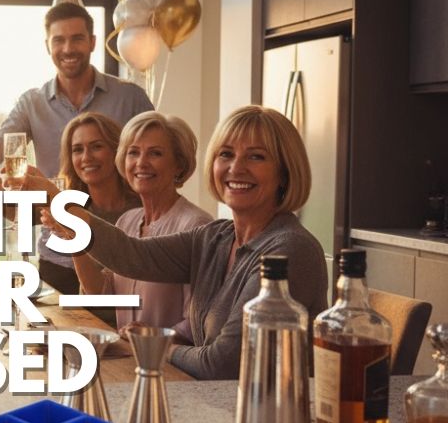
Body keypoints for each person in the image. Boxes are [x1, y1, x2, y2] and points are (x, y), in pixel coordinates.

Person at [43, 105, 328, 380]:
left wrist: (155, 346)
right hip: (213, 399)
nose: (236, 167)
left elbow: (221, 364)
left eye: (256, 157)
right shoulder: (215, 238)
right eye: (226, 154)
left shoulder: (290, 250)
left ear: (285, 172)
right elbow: (132, 255)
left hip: (267, 411)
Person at [0, 0, 153, 177]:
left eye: (77, 39)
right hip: (55, 207)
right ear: (47, 46)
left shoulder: (130, 97)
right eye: (58, 40)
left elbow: (159, 156)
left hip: (118, 209)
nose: (68, 49)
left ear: (92, 42)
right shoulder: (31, 104)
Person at [84, 111, 212, 330]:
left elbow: (200, 320)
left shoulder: (197, 226)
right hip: (128, 350)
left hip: (169, 353)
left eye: (155, 153)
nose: (141, 163)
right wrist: (73, 238)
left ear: (179, 164)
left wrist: (152, 335)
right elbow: (100, 292)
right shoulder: (127, 221)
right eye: (133, 152)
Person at [23, 112, 137, 294]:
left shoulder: (139, 210)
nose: (86, 157)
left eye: (96, 146)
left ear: (117, 150)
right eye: (77, 150)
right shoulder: (72, 203)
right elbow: (94, 290)